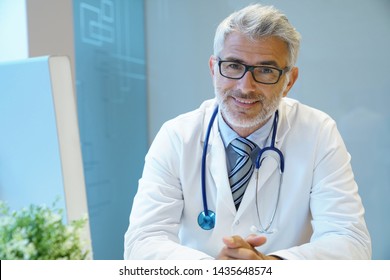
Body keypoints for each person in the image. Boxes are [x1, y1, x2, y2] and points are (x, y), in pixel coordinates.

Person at [124, 4, 371, 260]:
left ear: (289, 81)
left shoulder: (318, 133)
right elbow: (143, 242)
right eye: (233, 65)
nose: (245, 87)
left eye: (266, 70)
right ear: (213, 69)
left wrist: (270, 266)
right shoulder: (177, 136)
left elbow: (351, 241)